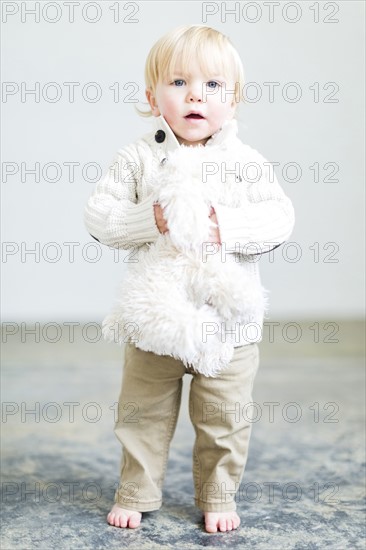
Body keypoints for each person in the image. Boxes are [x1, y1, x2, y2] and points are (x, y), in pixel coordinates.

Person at [84, 24, 295, 533]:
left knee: (225, 416)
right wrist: (147, 220)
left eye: (213, 86)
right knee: (142, 413)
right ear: (153, 96)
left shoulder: (245, 164)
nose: (196, 95)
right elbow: (100, 216)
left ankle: (218, 494)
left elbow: (280, 218)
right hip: (154, 319)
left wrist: (229, 225)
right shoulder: (138, 158)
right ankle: (136, 489)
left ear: (235, 100)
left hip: (226, 323)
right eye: (178, 82)